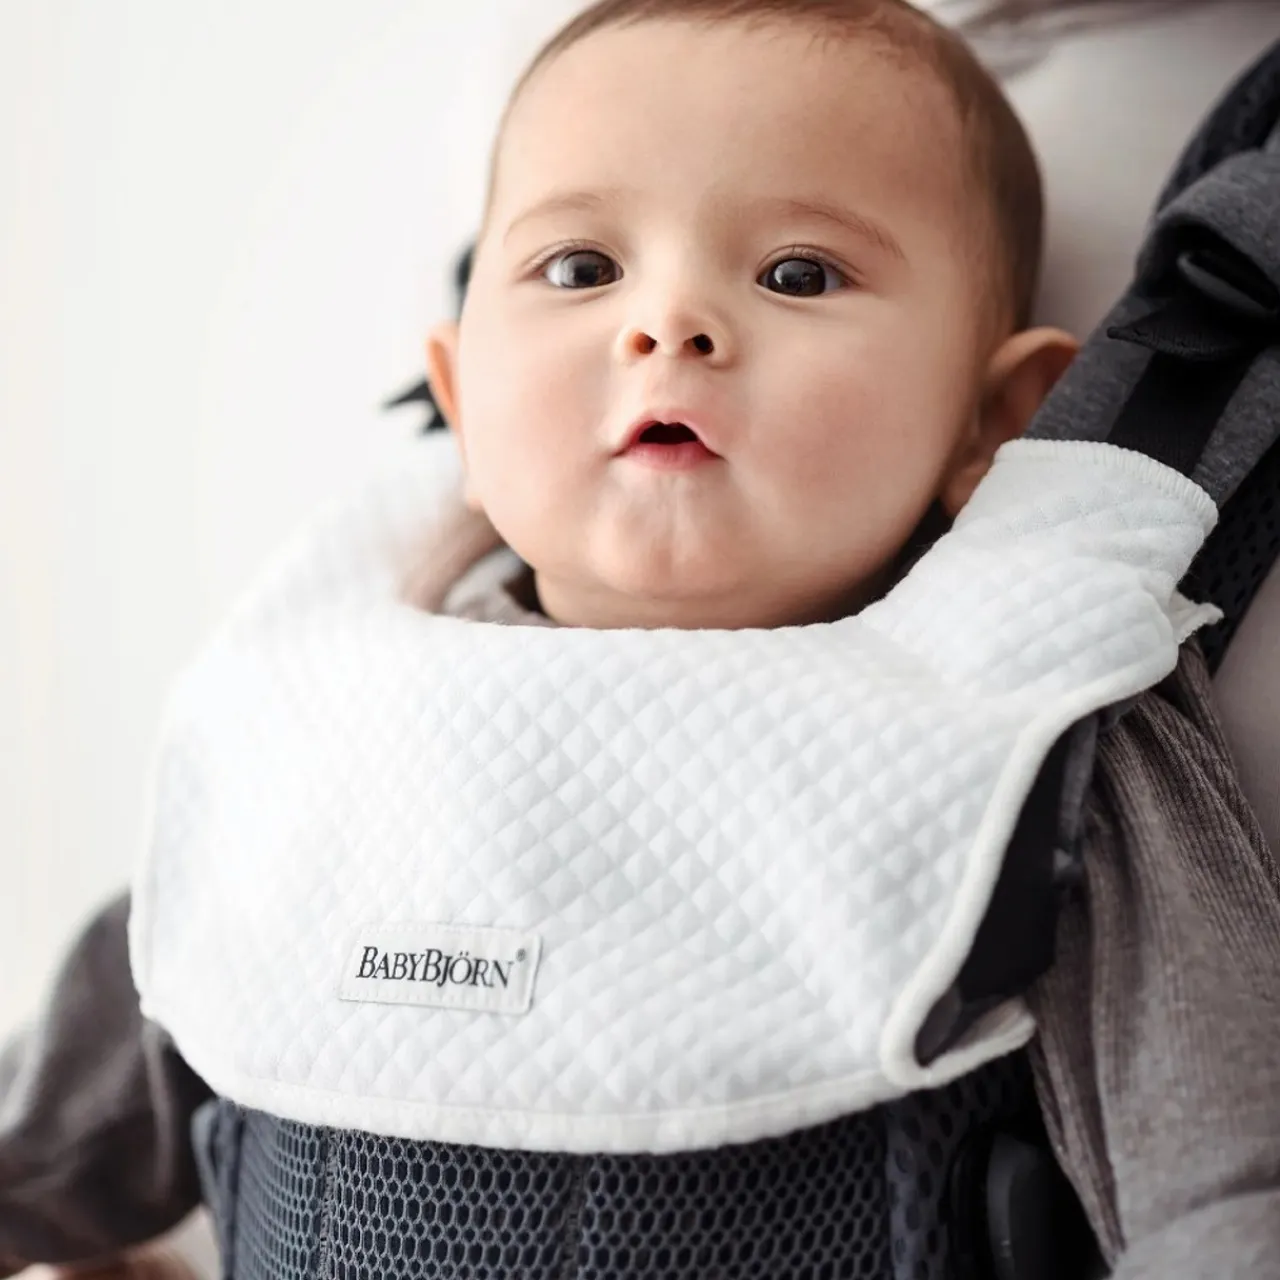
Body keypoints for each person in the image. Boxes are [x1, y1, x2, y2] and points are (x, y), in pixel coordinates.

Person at [4, 1, 1278, 1277]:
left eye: (796, 274)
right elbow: (64, 1123)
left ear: (991, 424)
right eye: (578, 269)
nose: (668, 322)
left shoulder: (1024, 728)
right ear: (458, 399)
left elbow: (1218, 1189)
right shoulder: (329, 703)